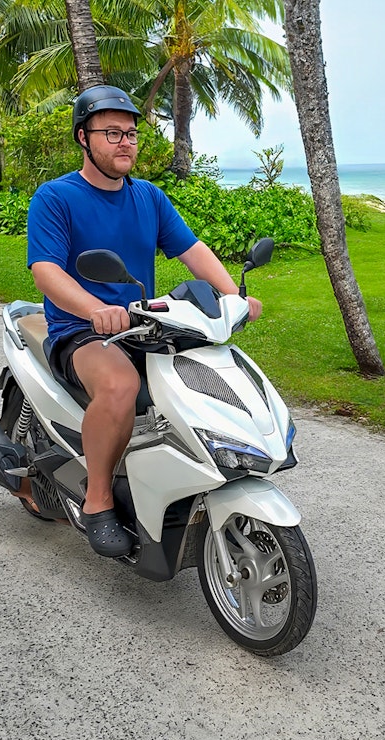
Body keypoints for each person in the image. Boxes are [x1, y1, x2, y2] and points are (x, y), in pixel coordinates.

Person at [24, 84, 262, 557]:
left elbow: (192, 250)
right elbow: (45, 270)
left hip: (142, 326)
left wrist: (236, 297)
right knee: (119, 388)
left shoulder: (149, 198)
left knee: (206, 375)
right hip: (82, 330)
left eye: (131, 133)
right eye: (111, 132)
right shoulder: (56, 197)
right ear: (83, 138)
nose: (125, 142)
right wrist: (94, 308)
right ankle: (97, 502)